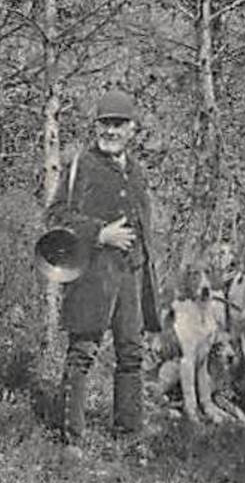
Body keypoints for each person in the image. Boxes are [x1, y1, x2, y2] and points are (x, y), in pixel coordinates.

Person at [44, 89, 161, 457]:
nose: (110, 131)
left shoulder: (138, 172)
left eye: (118, 124)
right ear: (95, 127)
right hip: (93, 274)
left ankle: (128, 435)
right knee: (83, 351)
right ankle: (72, 438)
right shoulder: (81, 165)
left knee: (131, 354)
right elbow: (56, 217)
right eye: (104, 124)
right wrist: (100, 233)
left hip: (131, 276)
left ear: (132, 129)